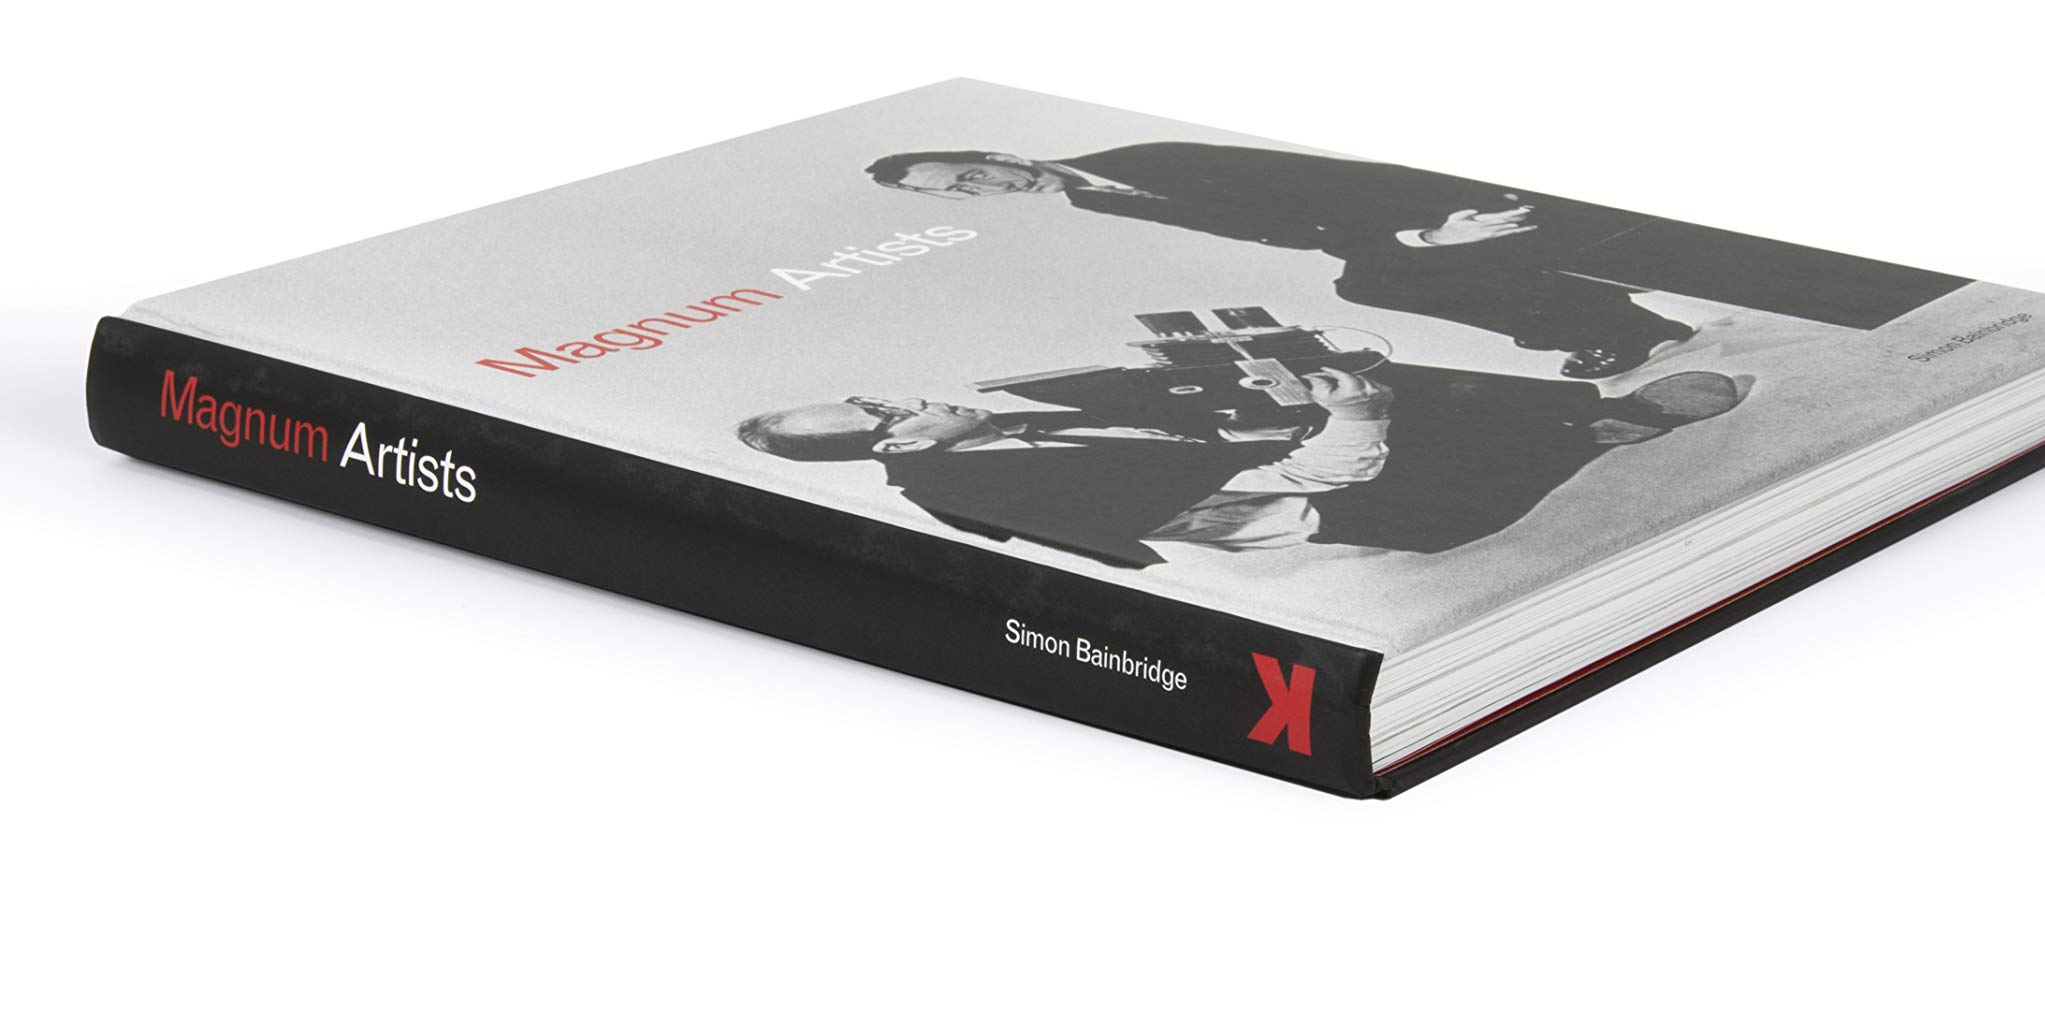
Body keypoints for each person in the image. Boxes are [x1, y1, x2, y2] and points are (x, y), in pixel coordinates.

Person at [862, 141, 1968, 377]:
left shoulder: (1139, 159)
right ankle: (1628, 329)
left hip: (1445, 196)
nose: (981, 193)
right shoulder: (1094, 203)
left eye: (970, 174)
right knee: (1371, 277)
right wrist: (1406, 248)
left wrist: (1434, 225)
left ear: (993, 152)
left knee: (1379, 268)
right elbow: (1287, 236)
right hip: (1403, 229)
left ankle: (1618, 323)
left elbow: (1328, 188)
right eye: (953, 199)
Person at [736, 362, 1747, 567]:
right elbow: (1319, 482)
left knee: (1352, 372)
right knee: (1386, 408)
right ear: (896, 445)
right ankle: (1611, 427)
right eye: (885, 411)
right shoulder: (975, 480)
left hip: (1320, 464)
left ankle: (1595, 403)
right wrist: (1352, 410)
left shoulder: (1000, 430)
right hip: (1394, 505)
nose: (905, 394)